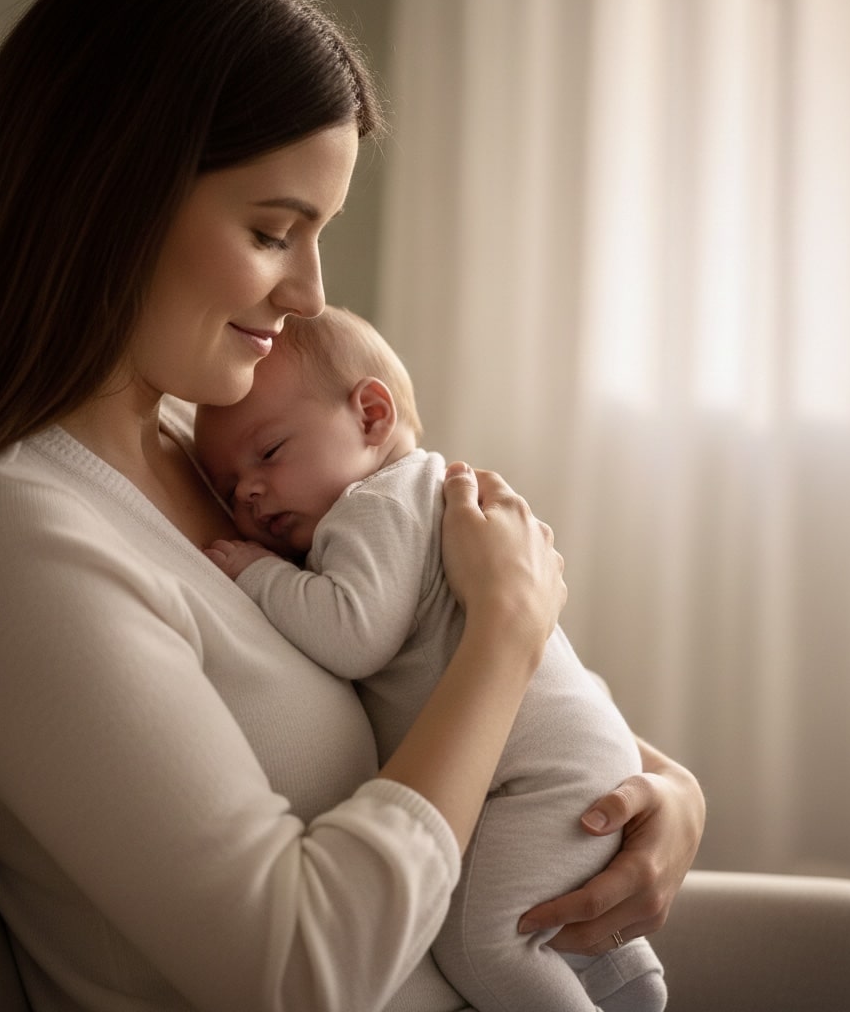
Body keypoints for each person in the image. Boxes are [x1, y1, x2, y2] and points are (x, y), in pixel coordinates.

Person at [0, 0, 706, 1010]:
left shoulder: (214, 458)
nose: (310, 292)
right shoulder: (22, 538)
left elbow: (422, 684)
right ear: (113, 197)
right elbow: (297, 970)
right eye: (275, 231)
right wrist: (506, 625)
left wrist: (660, 790)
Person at [194, 306, 669, 1012]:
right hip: (568, 756)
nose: (249, 493)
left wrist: (259, 574)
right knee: (532, 911)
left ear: (371, 416)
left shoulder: (375, 505)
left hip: (534, 775)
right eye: (229, 487)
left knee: (482, 943)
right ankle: (626, 982)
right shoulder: (410, 495)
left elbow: (356, 633)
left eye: (268, 454)